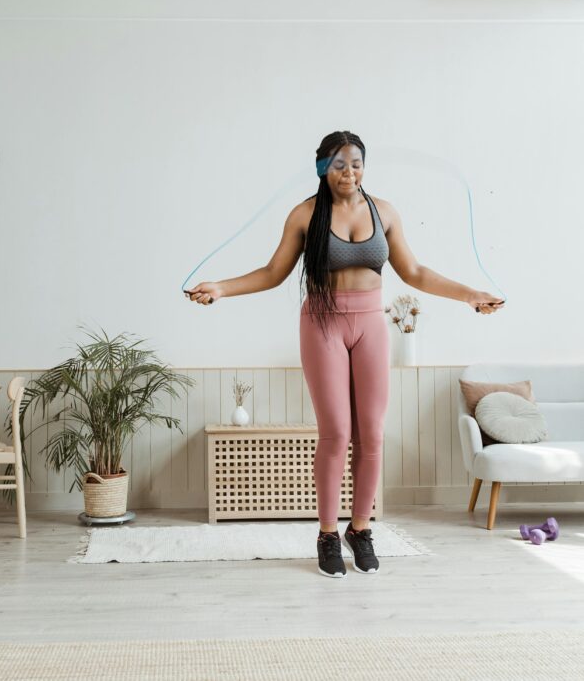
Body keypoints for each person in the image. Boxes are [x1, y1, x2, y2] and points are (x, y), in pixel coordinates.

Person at [184, 130, 504, 578]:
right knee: (336, 432)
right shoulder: (305, 215)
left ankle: (361, 529)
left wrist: (469, 294)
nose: (349, 172)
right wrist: (221, 288)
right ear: (322, 168)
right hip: (322, 323)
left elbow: (414, 272)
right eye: (339, 164)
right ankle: (328, 534)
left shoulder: (385, 212)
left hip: (370, 324)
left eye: (356, 163)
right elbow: (274, 273)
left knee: (371, 434)